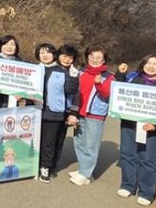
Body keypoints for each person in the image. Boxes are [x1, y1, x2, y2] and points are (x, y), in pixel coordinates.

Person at [115, 55, 156, 206]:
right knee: (127, 154)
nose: (151, 66)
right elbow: (117, 91)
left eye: (155, 64)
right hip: (129, 124)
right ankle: (128, 185)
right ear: (143, 64)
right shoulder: (131, 78)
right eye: (149, 63)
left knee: (147, 159)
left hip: (151, 128)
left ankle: (146, 192)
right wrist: (120, 74)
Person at [68, 44, 115, 186]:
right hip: (79, 112)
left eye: (98, 57)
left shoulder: (109, 76)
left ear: (103, 60)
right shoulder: (81, 72)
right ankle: (85, 171)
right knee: (79, 142)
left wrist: (99, 84)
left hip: (95, 114)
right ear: (87, 57)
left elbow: (107, 94)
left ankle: (85, 173)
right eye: (92, 56)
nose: (95, 60)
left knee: (91, 145)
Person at [34, 43, 78, 183]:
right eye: (42, 53)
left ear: (54, 55)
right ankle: (34, 165)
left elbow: (71, 90)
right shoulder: (33, 69)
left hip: (53, 112)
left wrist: (73, 77)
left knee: (49, 142)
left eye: (48, 52)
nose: (45, 55)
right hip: (34, 111)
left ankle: (46, 167)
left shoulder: (62, 71)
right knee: (34, 140)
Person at [53, 44, 80, 173]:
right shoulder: (51, 69)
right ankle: (42, 164)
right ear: (58, 56)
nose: (67, 59)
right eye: (64, 56)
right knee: (46, 139)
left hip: (65, 110)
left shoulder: (75, 73)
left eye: (70, 57)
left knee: (59, 138)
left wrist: (73, 112)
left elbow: (77, 95)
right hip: (49, 109)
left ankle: (53, 164)